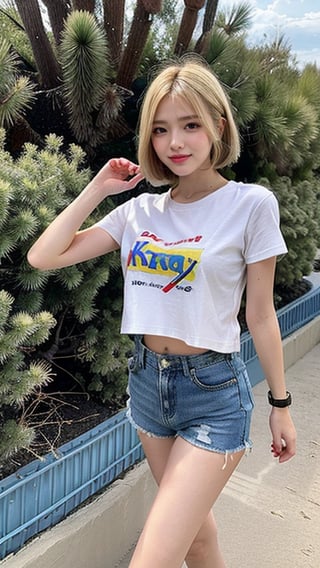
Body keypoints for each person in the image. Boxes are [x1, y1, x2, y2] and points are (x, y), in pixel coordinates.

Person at [28, 57, 296, 568]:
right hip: (149, 389)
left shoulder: (251, 205)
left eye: (191, 125)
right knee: (194, 539)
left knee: (150, 559)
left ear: (218, 127)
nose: (175, 142)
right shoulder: (139, 213)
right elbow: (44, 256)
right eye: (161, 129)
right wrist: (99, 189)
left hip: (214, 395)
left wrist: (280, 404)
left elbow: (260, 314)